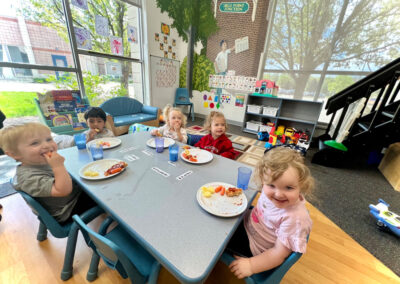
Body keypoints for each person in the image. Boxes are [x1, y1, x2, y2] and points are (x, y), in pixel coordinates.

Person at [226, 147, 314, 279]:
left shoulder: (295, 219)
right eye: (271, 185)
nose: (278, 194)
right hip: (248, 224)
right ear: (262, 181)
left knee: (216, 237)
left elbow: (278, 254)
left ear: (302, 185)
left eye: (289, 188)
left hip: (256, 248)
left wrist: (251, 265)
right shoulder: (270, 192)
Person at [0, 122, 97, 224]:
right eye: (35, 143)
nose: (47, 145)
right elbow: (63, 190)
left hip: (71, 197)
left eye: (49, 139)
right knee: (102, 192)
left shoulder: (39, 161)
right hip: (67, 210)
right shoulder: (28, 178)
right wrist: (58, 166)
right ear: (14, 154)